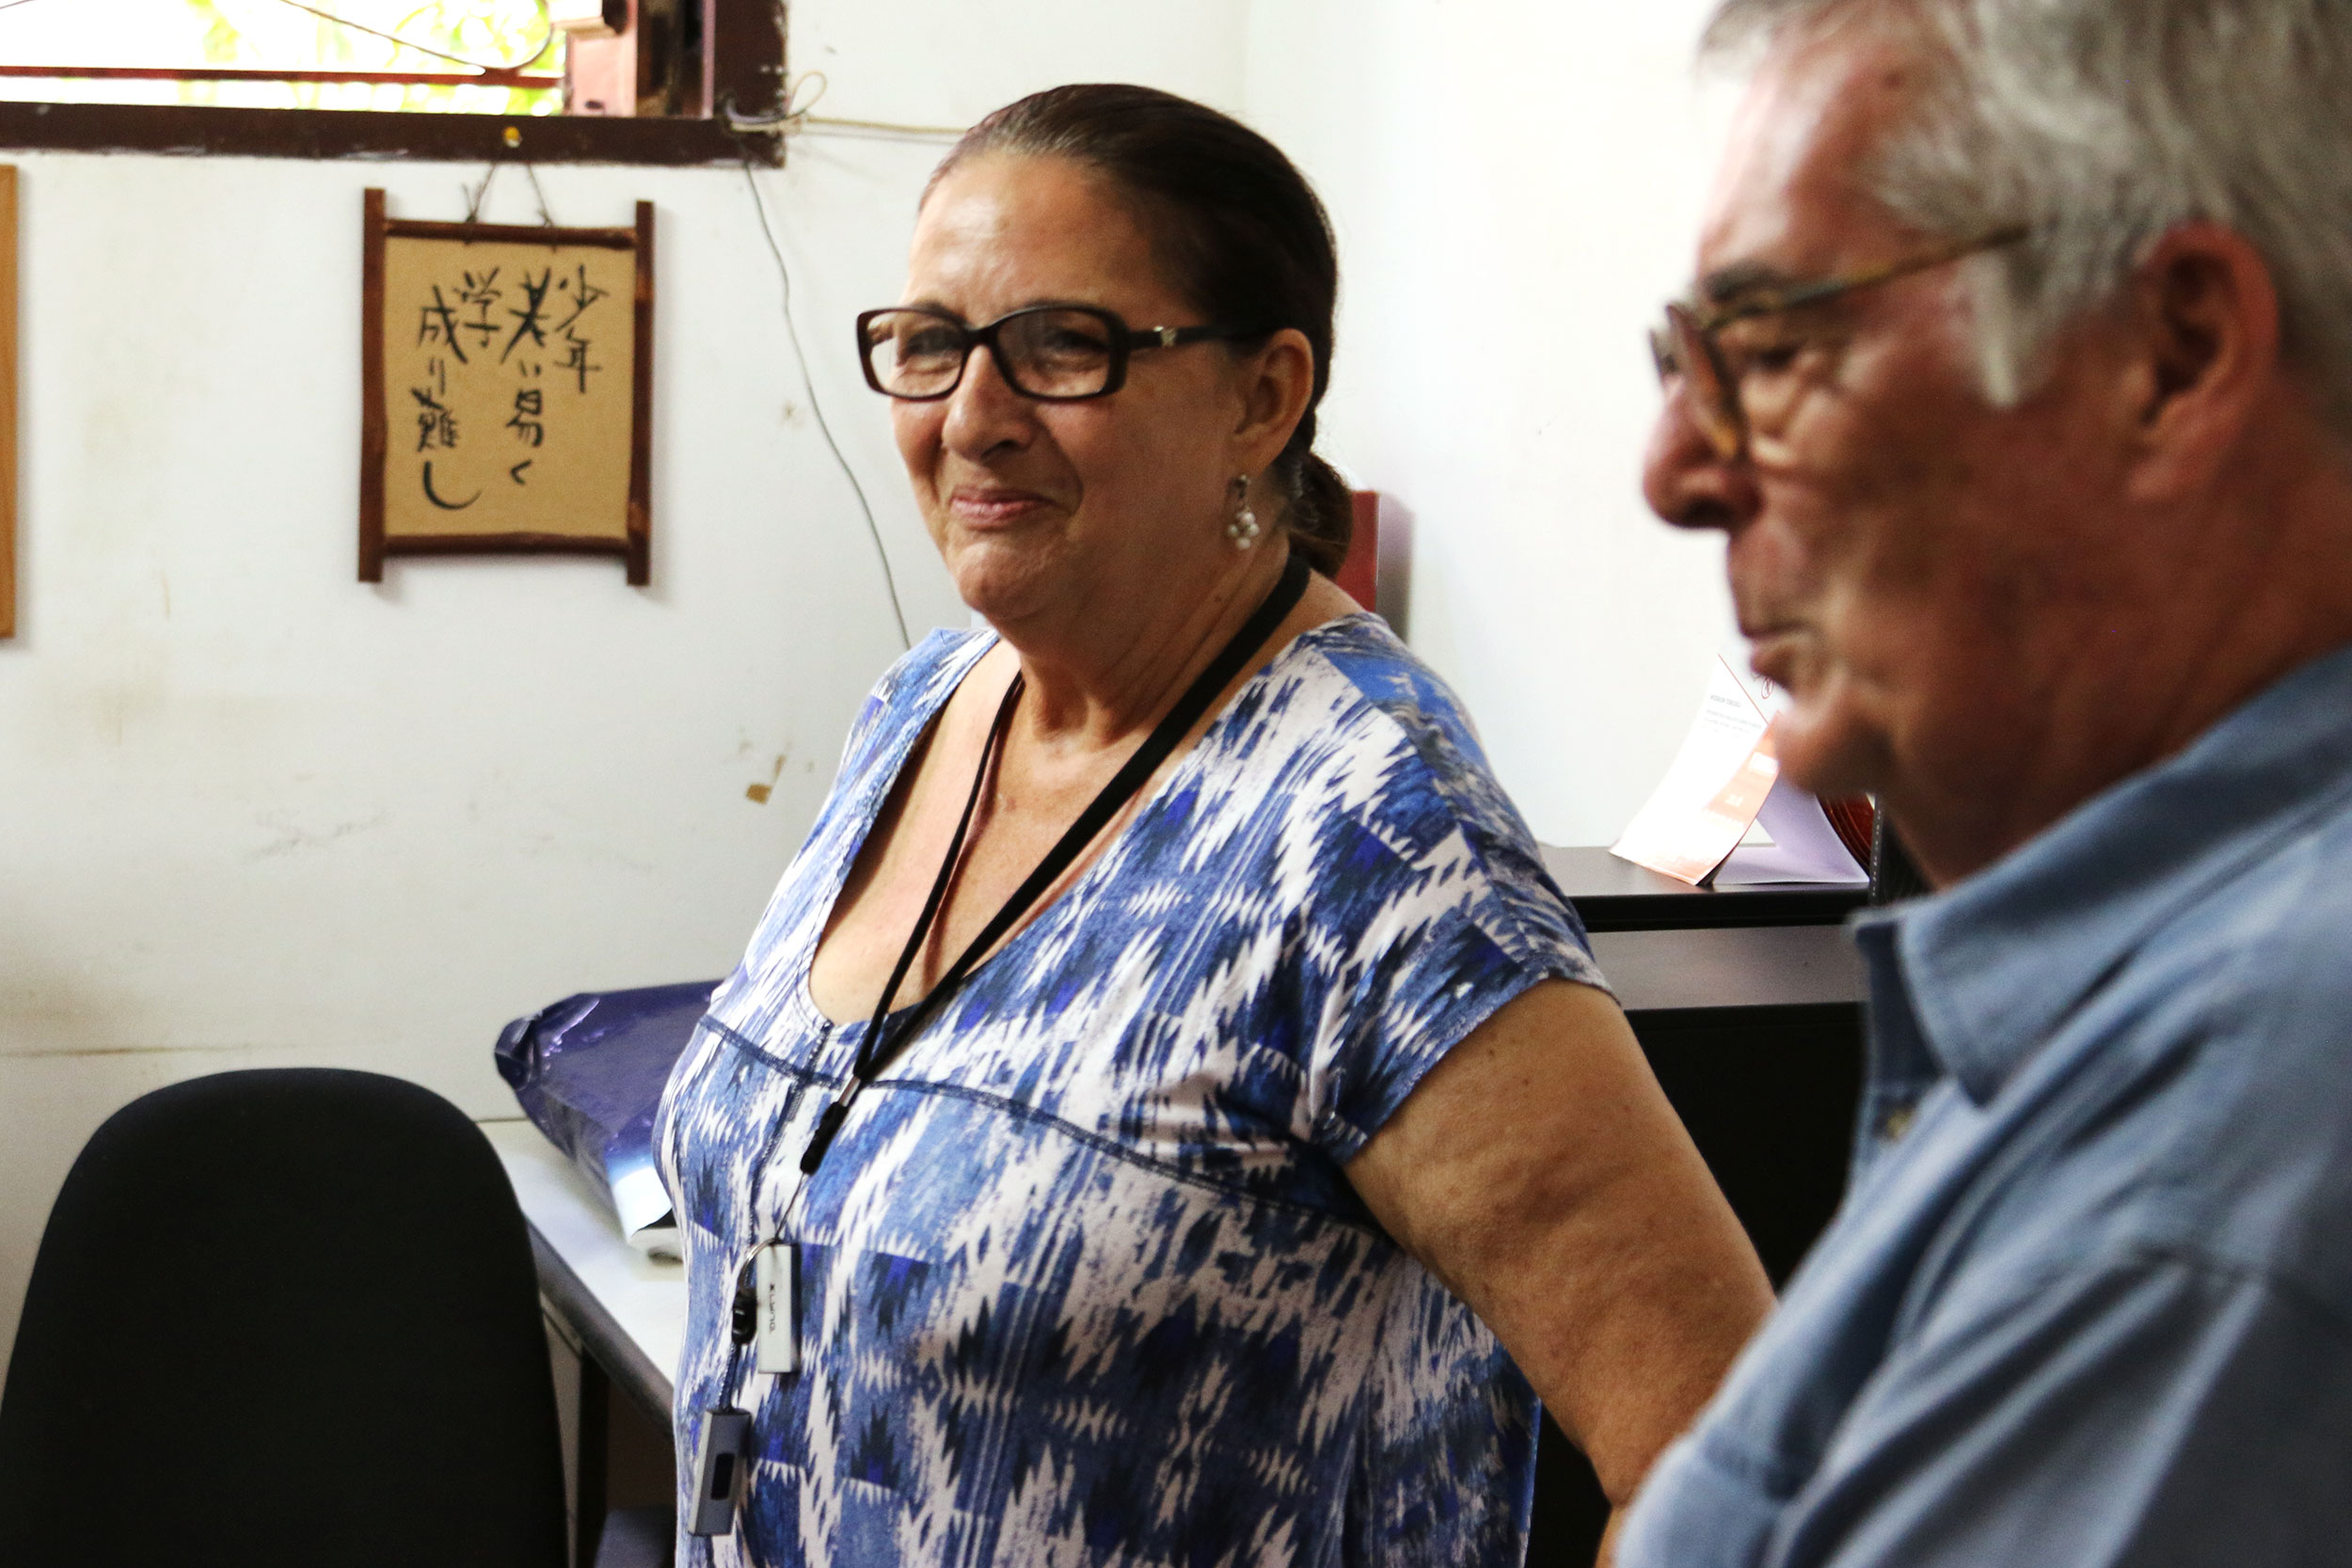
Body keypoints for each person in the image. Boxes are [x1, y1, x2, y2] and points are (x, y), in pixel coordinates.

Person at [658, 84, 1771, 1566]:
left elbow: (1739, 1464)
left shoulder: (1371, 841)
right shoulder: (926, 705)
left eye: (1065, 347)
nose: (973, 419)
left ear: (1263, 394)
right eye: (930, 346)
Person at [1626, 0, 2352, 1562]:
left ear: (2175, 353)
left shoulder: (2233, 1138)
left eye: (1768, 351)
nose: (1674, 471)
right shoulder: (2128, 994)